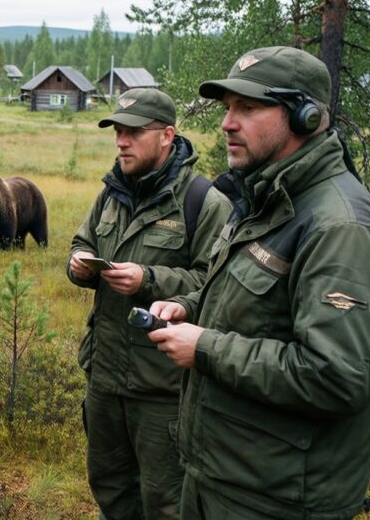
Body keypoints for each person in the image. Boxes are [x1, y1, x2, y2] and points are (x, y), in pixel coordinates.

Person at [148, 46, 370, 519]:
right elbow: (253, 303)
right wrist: (191, 306)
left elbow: (337, 377)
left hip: (277, 499)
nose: (228, 123)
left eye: (248, 108)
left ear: (305, 117)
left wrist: (204, 346)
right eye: (228, 108)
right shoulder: (267, 200)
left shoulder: (344, 231)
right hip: (221, 476)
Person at [67, 88, 231, 519]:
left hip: (162, 389)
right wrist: (78, 264)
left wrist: (149, 280)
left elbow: (212, 284)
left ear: (166, 136)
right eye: (118, 131)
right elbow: (82, 241)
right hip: (104, 376)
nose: (121, 141)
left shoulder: (203, 202)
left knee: (165, 502)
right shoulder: (111, 192)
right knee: (110, 487)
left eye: (133, 132)